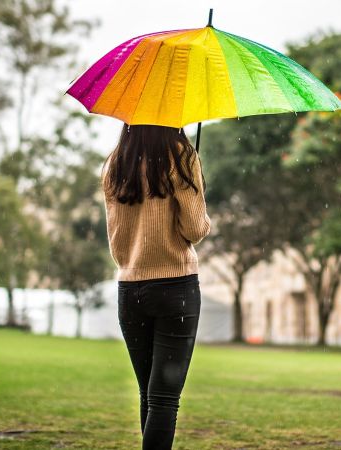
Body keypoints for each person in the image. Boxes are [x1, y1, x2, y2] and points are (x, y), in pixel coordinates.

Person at [101, 124, 211, 449]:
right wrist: (200, 205)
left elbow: (117, 240)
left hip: (130, 289)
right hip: (175, 286)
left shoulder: (116, 163)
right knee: (164, 399)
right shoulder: (181, 155)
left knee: (148, 395)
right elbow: (194, 228)